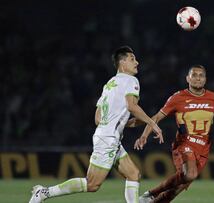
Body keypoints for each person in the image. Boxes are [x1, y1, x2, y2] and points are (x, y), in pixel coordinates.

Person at [29, 46, 163, 203]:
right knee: (92, 184)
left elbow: (98, 118)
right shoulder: (131, 80)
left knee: (133, 174)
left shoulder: (109, 84)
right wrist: (152, 123)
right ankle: (44, 193)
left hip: (106, 136)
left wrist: (120, 123)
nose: (137, 62)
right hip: (109, 139)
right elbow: (132, 106)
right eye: (132, 59)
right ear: (122, 62)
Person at [135, 65, 214, 203]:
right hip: (184, 144)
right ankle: (150, 194)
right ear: (188, 78)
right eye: (194, 75)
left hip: (203, 148)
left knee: (179, 188)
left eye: (201, 75)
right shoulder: (177, 97)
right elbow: (156, 117)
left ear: (205, 79)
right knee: (190, 174)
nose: (198, 78)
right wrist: (144, 135)